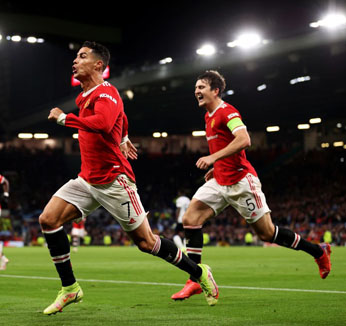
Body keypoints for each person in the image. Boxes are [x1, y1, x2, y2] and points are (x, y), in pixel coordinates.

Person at [40, 41, 219, 315]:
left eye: (82, 56)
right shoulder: (85, 96)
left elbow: (102, 123)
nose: (75, 61)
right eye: (76, 56)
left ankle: (199, 272)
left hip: (114, 180)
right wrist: (123, 136)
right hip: (87, 180)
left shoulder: (106, 93)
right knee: (48, 220)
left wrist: (65, 119)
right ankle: (70, 288)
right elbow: (120, 117)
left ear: (98, 65)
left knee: (146, 242)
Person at [171, 70, 332, 301]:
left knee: (267, 233)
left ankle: (318, 251)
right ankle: (195, 279)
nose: (196, 91)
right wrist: (216, 168)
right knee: (190, 219)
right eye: (196, 87)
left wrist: (214, 159)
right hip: (220, 180)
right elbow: (225, 148)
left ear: (215, 90)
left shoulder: (228, 112)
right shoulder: (208, 116)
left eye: (202, 87)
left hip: (240, 182)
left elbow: (245, 139)